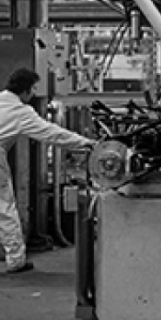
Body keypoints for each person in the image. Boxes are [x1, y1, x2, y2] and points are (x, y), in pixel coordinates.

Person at [0, 68, 96, 274]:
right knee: (4, 208)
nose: (34, 94)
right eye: (33, 89)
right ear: (25, 91)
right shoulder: (20, 112)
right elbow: (52, 134)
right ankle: (16, 260)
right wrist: (86, 143)